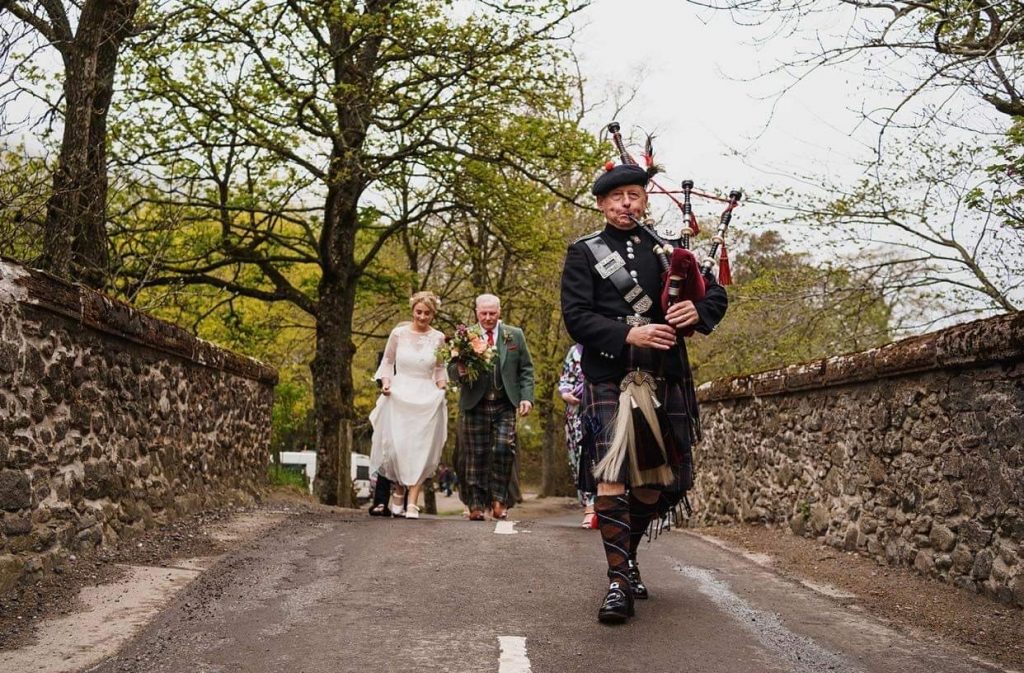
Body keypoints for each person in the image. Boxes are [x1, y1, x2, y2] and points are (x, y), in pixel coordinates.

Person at [560, 163, 728, 623]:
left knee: (659, 485)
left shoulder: (669, 251)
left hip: (663, 373)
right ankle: (618, 583)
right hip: (609, 374)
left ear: (644, 200)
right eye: (616, 198)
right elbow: (576, 317)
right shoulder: (585, 253)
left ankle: (626, 555)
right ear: (601, 204)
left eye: (634, 195)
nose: (625, 204)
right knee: (612, 473)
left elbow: (715, 295)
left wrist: (698, 310)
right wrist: (626, 335)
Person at [450, 294, 535, 521]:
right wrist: (459, 370)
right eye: (484, 313)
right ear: (477, 312)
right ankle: (475, 504)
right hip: (474, 403)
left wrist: (527, 397)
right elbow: (451, 369)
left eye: (492, 313)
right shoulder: (465, 336)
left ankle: (499, 501)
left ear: (500, 312)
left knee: (503, 449)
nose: (488, 318)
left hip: (505, 403)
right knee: (475, 455)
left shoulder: (514, 335)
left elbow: (526, 369)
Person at [369, 291, 448, 519]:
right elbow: (388, 361)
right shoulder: (398, 334)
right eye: (419, 312)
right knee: (396, 446)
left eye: (427, 313)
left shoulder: (438, 338)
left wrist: (441, 387)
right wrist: (386, 382)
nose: (422, 317)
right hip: (400, 392)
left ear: (433, 314)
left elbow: (440, 368)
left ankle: (413, 499)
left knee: (420, 447)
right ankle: (399, 490)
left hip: (425, 395)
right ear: (413, 311)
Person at [558, 343, 596, 528]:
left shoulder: (612, 343)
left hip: (601, 404)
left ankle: (595, 507)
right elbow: (566, 379)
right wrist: (566, 394)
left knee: (598, 454)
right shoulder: (575, 351)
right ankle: (588, 503)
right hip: (576, 411)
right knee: (578, 457)